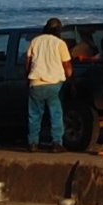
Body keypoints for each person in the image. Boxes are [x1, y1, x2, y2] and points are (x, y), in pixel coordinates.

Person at [24, 18, 73, 149]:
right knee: (56, 114)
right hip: (55, 84)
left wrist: (27, 77)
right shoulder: (60, 43)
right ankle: (56, 143)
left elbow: (27, 61)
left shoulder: (35, 41)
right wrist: (70, 79)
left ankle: (33, 143)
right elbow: (67, 65)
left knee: (34, 115)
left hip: (36, 82)